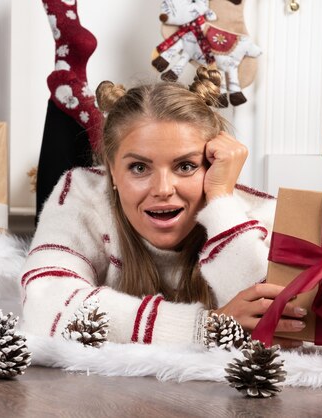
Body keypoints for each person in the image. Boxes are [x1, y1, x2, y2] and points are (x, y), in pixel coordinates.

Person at [20, 67, 306, 346]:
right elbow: (46, 303)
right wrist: (205, 328)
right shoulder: (83, 193)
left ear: (213, 164)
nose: (162, 189)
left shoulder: (254, 216)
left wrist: (220, 199)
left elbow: (277, 321)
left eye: (185, 166)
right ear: (112, 170)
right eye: (139, 167)